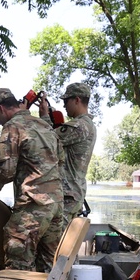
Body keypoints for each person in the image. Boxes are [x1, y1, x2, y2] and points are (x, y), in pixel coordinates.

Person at [0, 88, 64, 272]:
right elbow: (61, 160)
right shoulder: (45, 125)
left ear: (1, 109)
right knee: (49, 265)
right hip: (56, 206)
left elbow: (6, 170)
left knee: (17, 258)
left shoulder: (13, 127)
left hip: (33, 206)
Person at [42, 82, 97, 226]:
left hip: (68, 196)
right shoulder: (87, 125)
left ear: (77, 100)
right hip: (73, 193)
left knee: (57, 243)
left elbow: (46, 140)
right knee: (64, 242)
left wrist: (44, 117)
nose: (64, 105)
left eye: (66, 101)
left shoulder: (79, 125)